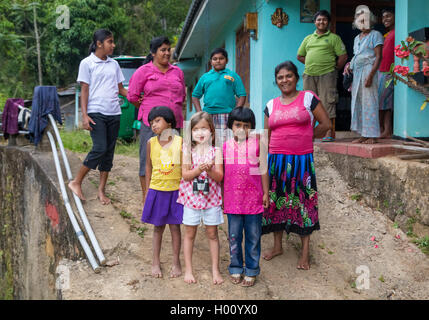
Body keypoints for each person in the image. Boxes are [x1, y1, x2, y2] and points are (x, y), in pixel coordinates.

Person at [262, 61, 331, 270]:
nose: (285, 80)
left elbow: (326, 125)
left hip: (301, 161)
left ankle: (305, 253)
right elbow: (266, 136)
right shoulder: (271, 105)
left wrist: (308, 138)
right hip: (276, 161)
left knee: (304, 204)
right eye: (280, 77)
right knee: (276, 202)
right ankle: (277, 247)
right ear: (276, 81)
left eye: (288, 76)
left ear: (296, 77)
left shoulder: (308, 98)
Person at [68, 29, 127, 205]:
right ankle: (76, 182)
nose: (113, 45)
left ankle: (101, 191)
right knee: (100, 148)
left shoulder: (114, 64)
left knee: (108, 153)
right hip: (96, 112)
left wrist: (138, 98)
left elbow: (121, 89)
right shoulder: (87, 63)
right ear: (99, 43)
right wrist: (84, 115)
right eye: (110, 41)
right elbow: (84, 90)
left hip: (114, 113)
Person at [127, 36, 186, 203]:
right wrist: (149, 111)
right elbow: (132, 96)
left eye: (168, 50)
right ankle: (148, 198)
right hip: (150, 123)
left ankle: (173, 197)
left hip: (174, 124)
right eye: (163, 50)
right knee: (149, 159)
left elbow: (182, 95)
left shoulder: (178, 72)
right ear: (153, 53)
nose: (167, 53)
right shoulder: (143, 71)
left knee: (174, 159)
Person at [223, 107, 269, 287]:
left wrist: (266, 193)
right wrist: (221, 197)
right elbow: (222, 175)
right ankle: (235, 266)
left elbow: (263, 169)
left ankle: (251, 269)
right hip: (233, 201)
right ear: (230, 126)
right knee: (234, 236)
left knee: (253, 236)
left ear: (252, 127)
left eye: (246, 125)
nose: (242, 129)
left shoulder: (258, 145)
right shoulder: (225, 147)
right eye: (237, 125)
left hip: (254, 201)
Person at [177, 111, 224, 285]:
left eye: (204, 128)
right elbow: (186, 175)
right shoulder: (187, 150)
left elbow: (219, 177)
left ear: (211, 130)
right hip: (191, 199)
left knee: (212, 234)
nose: (200, 133)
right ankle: (189, 269)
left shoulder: (216, 151)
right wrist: (199, 169)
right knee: (190, 234)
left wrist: (210, 169)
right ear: (191, 133)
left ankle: (215, 269)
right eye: (196, 129)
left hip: (211, 200)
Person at [141, 106, 183, 278]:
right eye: (151, 122)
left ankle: (176, 262)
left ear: (170, 123)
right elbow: (148, 166)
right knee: (158, 228)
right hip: (157, 190)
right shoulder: (151, 143)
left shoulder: (181, 142)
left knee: (175, 227)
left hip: (176, 191)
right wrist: (147, 191)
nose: (153, 125)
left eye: (157, 120)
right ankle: (155, 262)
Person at [297, 10, 348, 142]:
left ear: (328, 22)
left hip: (327, 75)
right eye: (319, 20)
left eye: (324, 20)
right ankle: (309, 133)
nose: (321, 22)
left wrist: (334, 69)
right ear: (315, 22)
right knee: (309, 104)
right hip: (309, 75)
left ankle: (328, 133)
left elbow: (343, 56)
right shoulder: (308, 39)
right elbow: (300, 56)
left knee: (327, 102)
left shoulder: (334, 38)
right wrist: (312, 63)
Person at [192, 48, 247, 147]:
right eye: (215, 59)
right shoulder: (205, 77)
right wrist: (200, 113)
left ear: (227, 60)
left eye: (221, 58)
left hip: (228, 115)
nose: (218, 61)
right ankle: (210, 162)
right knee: (209, 141)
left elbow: (242, 95)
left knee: (227, 142)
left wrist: (236, 113)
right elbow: (195, 96)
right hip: (208, 115)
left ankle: (226, 162)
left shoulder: (232, 75)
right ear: (211, 61)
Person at [345, 5, 384, 144]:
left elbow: (378, 57)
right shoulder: (357, 38)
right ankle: (363, 134)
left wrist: (371, 75)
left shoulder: (376, 35)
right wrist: (349, 65)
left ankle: (372, 135)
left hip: (369, 70)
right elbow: (357, 55)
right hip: (357, 73)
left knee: (370, 102)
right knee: (358, 102)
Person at [378, 8, 395, 139]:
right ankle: (383, 129)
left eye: (388, 16)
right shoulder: (388, 34)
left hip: (389, 71)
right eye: (383, 17)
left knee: (385, 102)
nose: (385, 19)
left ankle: (387, 130)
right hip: (382, 71)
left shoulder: (397, 33)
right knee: (382, 102)